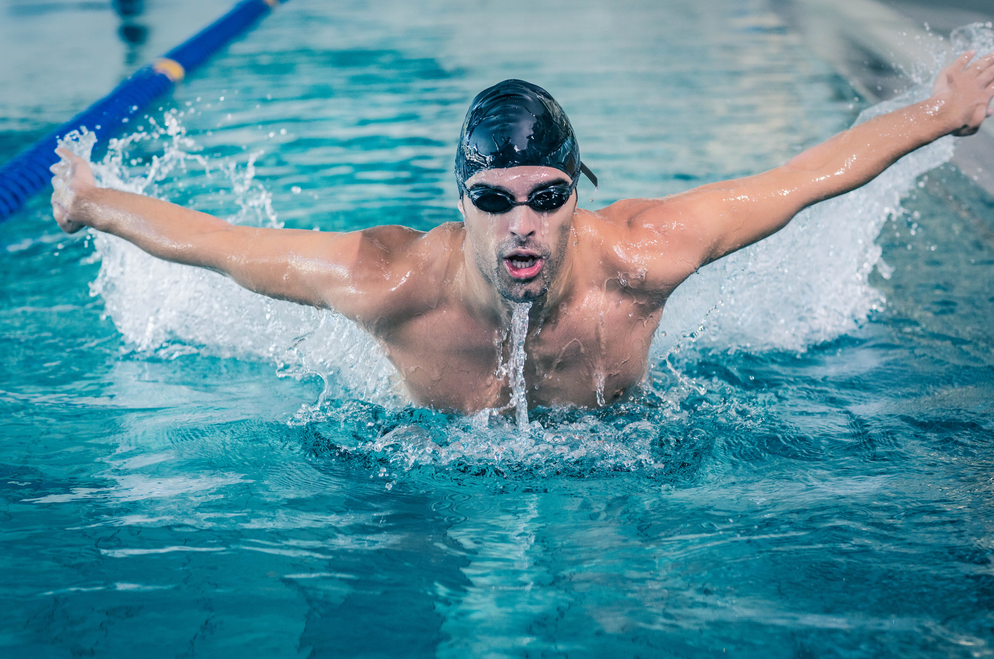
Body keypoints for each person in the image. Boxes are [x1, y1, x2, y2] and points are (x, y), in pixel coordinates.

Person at [52, 51, 994, 413]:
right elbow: (219, 243)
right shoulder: (386, 282)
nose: (523, 225)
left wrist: (941, 111)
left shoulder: (645, 252)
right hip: (425, 458)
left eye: (547, 194)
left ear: (577, 191)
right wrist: (94, 202)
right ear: (460, 200)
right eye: (495, 200)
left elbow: (802, 179)